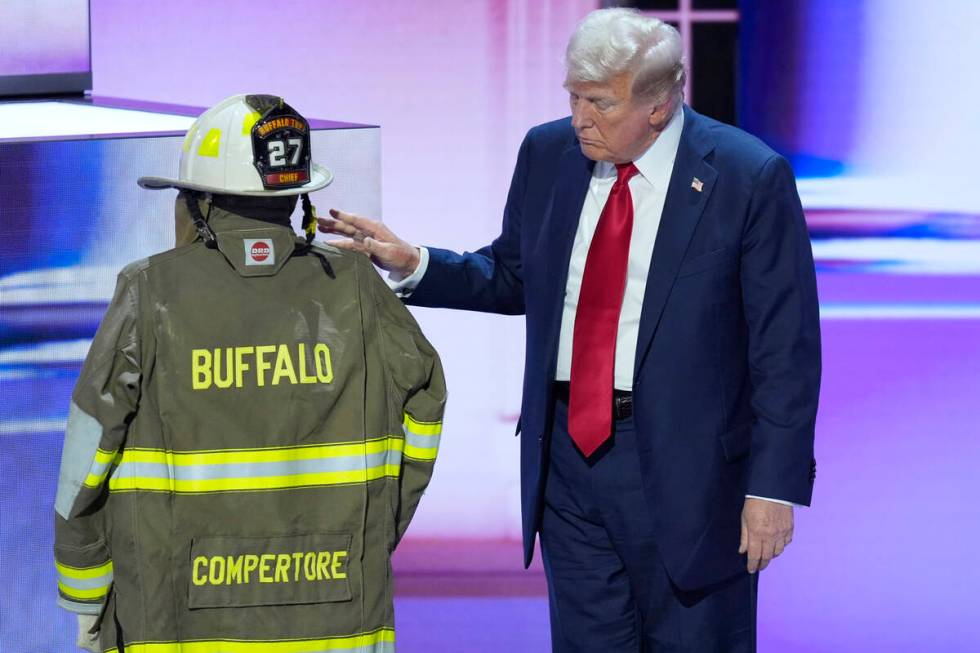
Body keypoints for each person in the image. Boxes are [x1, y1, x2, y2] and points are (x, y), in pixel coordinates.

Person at [319, 8, 820, 652]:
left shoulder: (747, 177)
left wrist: (772, 487)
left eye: (600, 103)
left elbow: (785, 349)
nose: (581, 117)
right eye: (574, 96)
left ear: (660, 106)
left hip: (691, 474)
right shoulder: (550, 152)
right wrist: (415, 262)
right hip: (568, 463)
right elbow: (513, 275)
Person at [53, 94, 445, 653]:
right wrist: (369, 533)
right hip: (338, 609)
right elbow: (426, 408)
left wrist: (86, 595)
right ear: (296, 199)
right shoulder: (358, 288)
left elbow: (86, 455)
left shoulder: (149, 292)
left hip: (178, 618)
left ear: (201, 202)